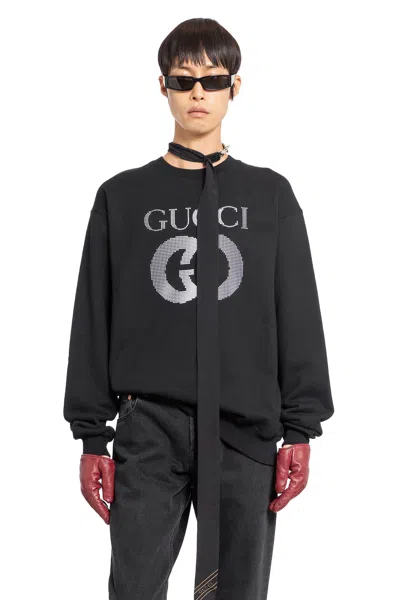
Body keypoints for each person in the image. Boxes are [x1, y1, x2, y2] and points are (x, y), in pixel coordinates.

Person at [63, 17, 334, 600]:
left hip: (244, 426)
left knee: (238, 591)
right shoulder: (121, 196)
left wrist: (300, 428)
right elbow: (93, 317)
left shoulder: (269, 194)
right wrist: (92, 437)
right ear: (162, 86)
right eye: (183, 79)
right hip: (148, 426)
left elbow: (297, 310)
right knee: (135, 588)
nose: (197, 94)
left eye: (212, 80)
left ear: (234, 87)